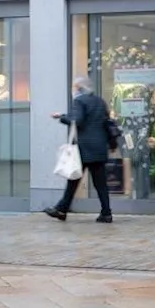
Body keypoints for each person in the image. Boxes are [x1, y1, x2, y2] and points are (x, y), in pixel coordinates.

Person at [45, 77, 114, 223]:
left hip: (84, 147)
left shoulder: (79, 101)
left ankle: (61, 210)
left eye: (74, 87)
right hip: (99, 147)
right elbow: (107, 122)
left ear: (78, 88)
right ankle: (106, 213)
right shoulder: (99, 101)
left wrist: (61, 117)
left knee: (73, 178)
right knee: (100, 183)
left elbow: (77, 120)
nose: (73, 90)